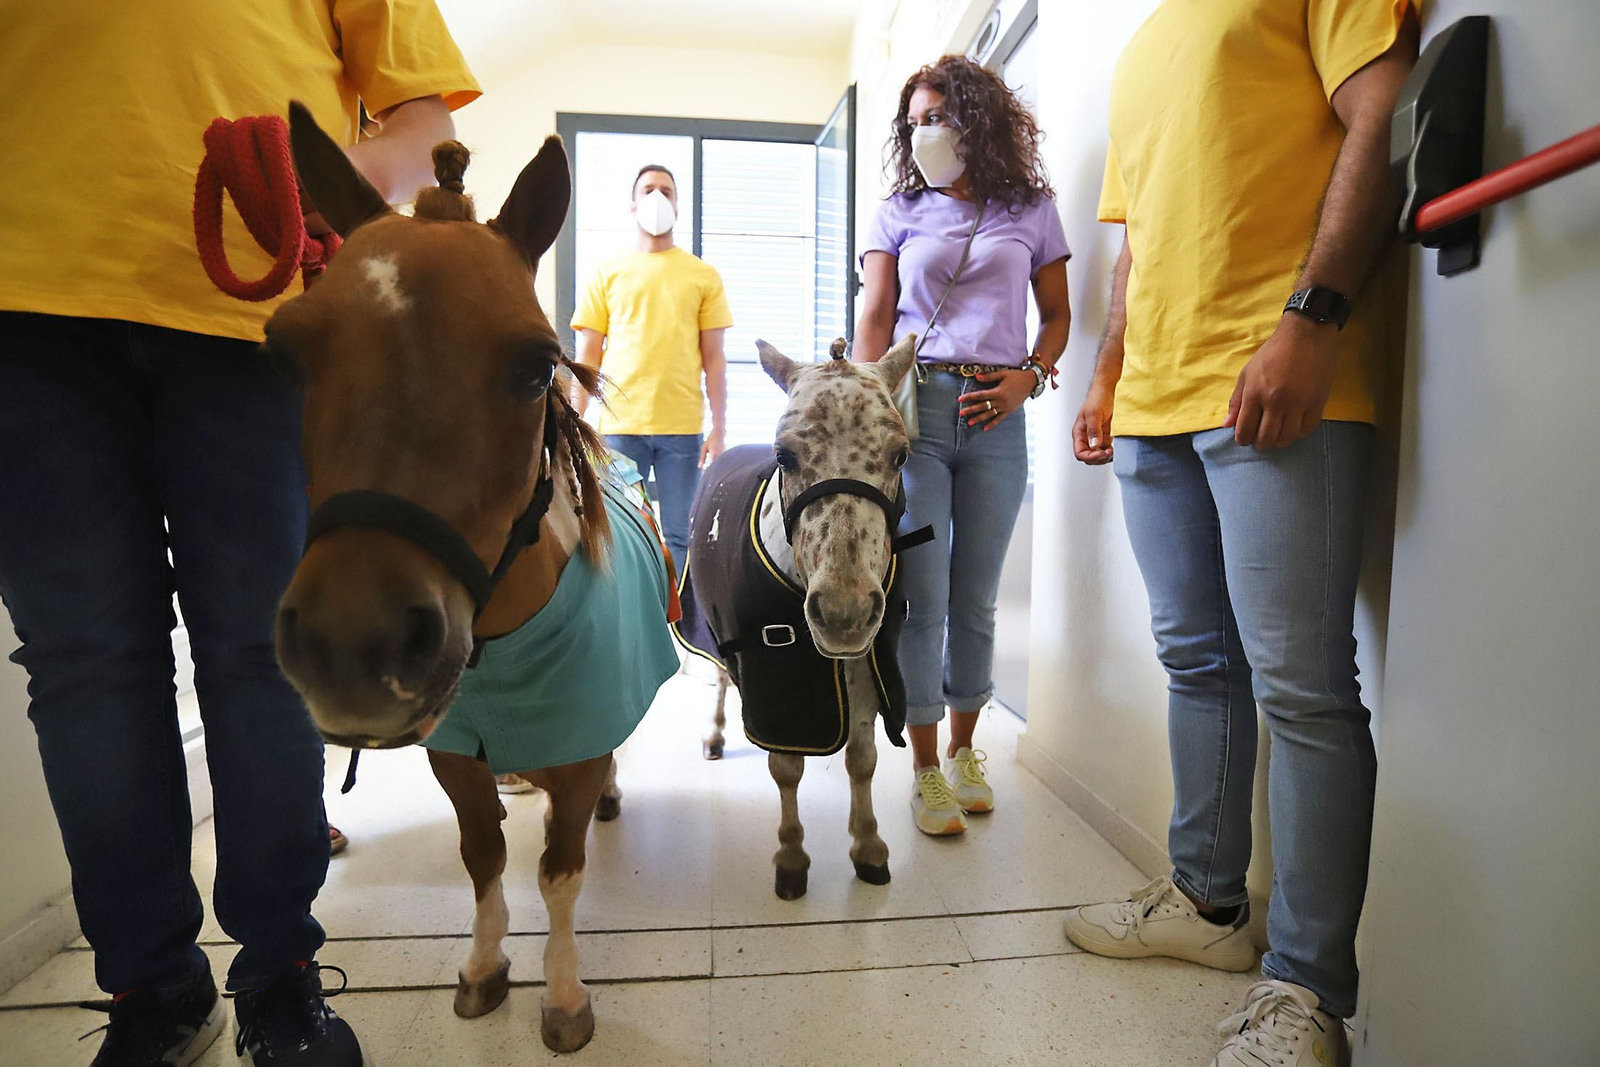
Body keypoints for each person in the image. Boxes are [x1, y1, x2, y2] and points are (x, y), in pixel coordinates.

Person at [0, 3, 478, 1064]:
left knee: (270, 653)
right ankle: (151, 982)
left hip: (254, 309)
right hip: (23, 306)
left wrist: (314, 189)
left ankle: (279, 967)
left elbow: (422, 118)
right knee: (84, 666)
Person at [1062, 3, 1419, 1064]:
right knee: (1196, 661)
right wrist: (1109, 373)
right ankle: (1206, 901)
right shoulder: (1141, 44)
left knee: (1301, 684)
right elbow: (1139, 240)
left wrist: (1313, 317)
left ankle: (1307, 990)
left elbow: (1382, 112)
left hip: (1275, 373)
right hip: (1154, 401)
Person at [855, 56, 1071, 837]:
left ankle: (964, 750)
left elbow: (1057, 317)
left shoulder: (1032, 208)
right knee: (926, 596)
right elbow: (877, 314)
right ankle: (920, 770)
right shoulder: (898, 211)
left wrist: (1031, 379)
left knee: (977, 598)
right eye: (912, 122)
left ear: (975, 119)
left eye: (935, 117)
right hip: (917, 412)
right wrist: (862, 402)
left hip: (998, 414)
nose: (922, 134)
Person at [571, 165, 734, 577]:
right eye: (648, 189)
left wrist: (719, 428)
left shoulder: (702, 275)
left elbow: (714, 357)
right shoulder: (605, 272)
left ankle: (673, 626)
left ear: (677, 205)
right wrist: (573, 418)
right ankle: (628, 614)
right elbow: (588, 355)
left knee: (679, 534)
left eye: (666, 190)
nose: (657, 197)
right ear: (633, 204)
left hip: (682, 428)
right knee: (619, 528)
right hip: (620, 425)